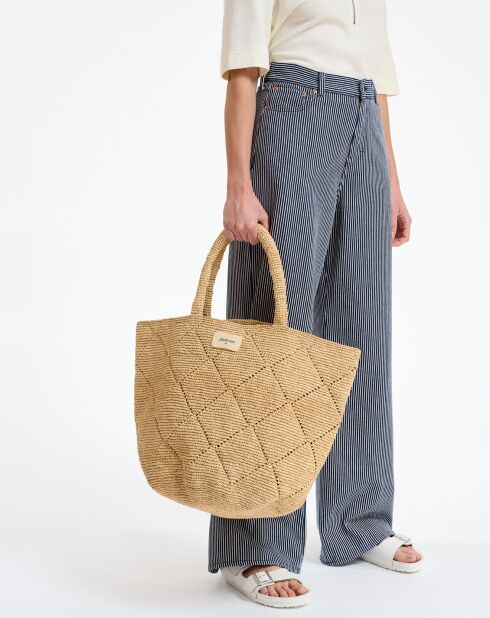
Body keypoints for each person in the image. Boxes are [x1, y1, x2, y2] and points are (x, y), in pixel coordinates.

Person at [209, 0, 422, 608]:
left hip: (364, 124)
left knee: (363, 331)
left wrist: (392, 181)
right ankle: (254, 545)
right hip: (292, 113)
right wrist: (238, 185)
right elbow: (243, 70)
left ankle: (359, 523)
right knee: (277, 336)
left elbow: (375, 76)